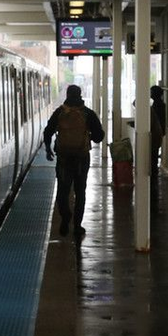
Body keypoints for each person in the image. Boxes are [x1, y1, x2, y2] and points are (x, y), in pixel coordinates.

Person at [44, 84, 105, 243]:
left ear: (67, 94)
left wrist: (48, 149)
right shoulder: (88, 113)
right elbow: (100, 136)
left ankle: (65, 216)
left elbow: (47, 132)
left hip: (63, 159)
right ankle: (77, 225)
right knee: (80, 192)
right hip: (81, 159)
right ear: (80, 94)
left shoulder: (59, 112)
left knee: (63, 191)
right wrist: (87, 136)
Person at [148, 85, 166, 187]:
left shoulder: (157, 106)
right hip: (158, 133)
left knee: (153, 155)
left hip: (155, 134)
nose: (150, 94)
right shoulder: (159, 105)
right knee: (154, 155)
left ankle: (153, 176)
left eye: (151, 92)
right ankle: (154, 174)